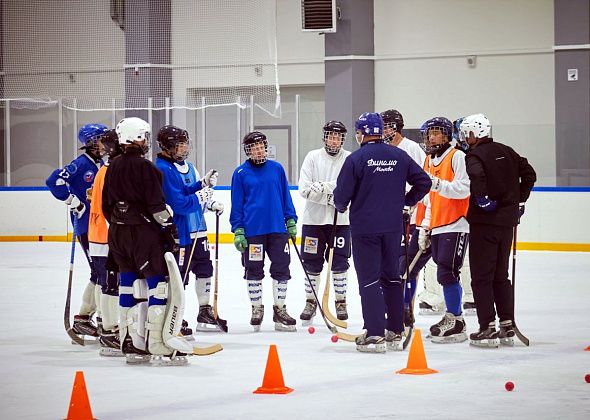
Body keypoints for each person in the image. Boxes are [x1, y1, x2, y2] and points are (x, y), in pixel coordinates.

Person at [333, 112, 430, 353]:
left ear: (362, 133)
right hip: (393, 228)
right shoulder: (399, 155)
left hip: (365, 229)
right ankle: (395, 331)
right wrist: (406, 202)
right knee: (392, 278)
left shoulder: (356, 159)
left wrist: (340, 203)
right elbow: (424, 183)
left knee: (369, 280)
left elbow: (341, 197)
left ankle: (375, 333)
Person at [102, 117, 190, 364]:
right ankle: (157, 342)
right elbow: (157, 208)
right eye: (145, 136)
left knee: (128, 284)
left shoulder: (112, 166)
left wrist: (123, 222)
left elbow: (106, 206)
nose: (147, 141)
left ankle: (130, 342)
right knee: (156, 286)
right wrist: (169, 228)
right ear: (137, 138)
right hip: (143, 236)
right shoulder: (148, 168)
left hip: (117, 235)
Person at [460, 113, 536, 347]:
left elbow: (476, 174)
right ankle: (506, 324)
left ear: (474, 133)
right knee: (501, 276)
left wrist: (482, 199)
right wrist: (519, 202)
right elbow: (530, 174)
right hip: (507, 223)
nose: (465, 138)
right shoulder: (508, 150)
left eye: (466, 133)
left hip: (485, 223)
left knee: (482, 276)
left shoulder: (474, 154)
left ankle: (487, 327)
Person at [155, 125, 227, 334]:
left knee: (202, 269)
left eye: (186, 144)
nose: (184, 149)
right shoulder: (164, 169)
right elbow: (179, 202)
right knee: (178, 277)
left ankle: (198, 311)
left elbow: (185, 191)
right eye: (180, 145)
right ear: (168, 146)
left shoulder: (172, 166)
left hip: (193, 230)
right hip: (177, 232)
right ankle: (174, 317)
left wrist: (201, 185)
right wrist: (200, 196)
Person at [230, 131, 298, 332]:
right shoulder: (240, 173)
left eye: (261, 146)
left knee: (282, 269)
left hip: (277, 229)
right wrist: (238, 229)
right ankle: (256, 308)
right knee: (254, 270)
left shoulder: (277, 169)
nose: (259, 150)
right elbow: (237, 204)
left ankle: (280, 309)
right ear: (247, 151)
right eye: (254, 147)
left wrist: (291, 219)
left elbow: (285, 196)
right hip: (253, 232)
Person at [46, 123, 107, 340]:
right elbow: (54, 181)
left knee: (99, 272)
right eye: (101, 139)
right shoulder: (81, 164)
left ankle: (83, 319)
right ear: (91, 142)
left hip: (98, 227)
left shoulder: (100, 164)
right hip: (86, 228)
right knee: (102, 272)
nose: (105, 143)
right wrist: (73, 202)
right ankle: (102, 318)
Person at [418, 117, 471, 344]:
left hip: (456, 223)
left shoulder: (458, 156)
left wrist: (437, 183)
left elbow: (464, 189)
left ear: (448, 135)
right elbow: (431, 199)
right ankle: (451, 316)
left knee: (448, 272)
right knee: (442, 272)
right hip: (438, 225)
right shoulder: (429, 160)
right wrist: (425, 227)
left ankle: (457, 320)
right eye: (429, 133)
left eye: (437, 133)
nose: (431, 137)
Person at [298, 121, 351, 324]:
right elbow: (304, 190)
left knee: (340, 264)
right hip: (314, 221)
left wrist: (323, 187)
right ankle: (311, 301)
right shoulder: (312, 157)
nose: (334, 140)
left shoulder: (349, 159)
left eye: (338, 137)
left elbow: (350, 187)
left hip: (342, 221)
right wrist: (332, 197)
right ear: (325, 137)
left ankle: (340, 301)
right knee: (311, 264)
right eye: (331, 136)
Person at [380, 109, 428, 327]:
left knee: (406, 266)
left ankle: (406, 306)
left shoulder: (411, 148)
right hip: (388, 217)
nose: (383, 129)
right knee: (389, 265)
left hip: (411, 217)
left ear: (397, 126)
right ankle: (391, 306)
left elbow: (422, 181)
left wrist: (410, 205)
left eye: (387, 125)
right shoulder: (383, 149)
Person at [88, 129, 124, 356]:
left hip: (101, 234)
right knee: (110, 283)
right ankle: (109, 330)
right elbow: (107, 207)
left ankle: (104, 323)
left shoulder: (105, 170)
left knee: (105, 281)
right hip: (105, 236)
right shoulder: (109, 171)